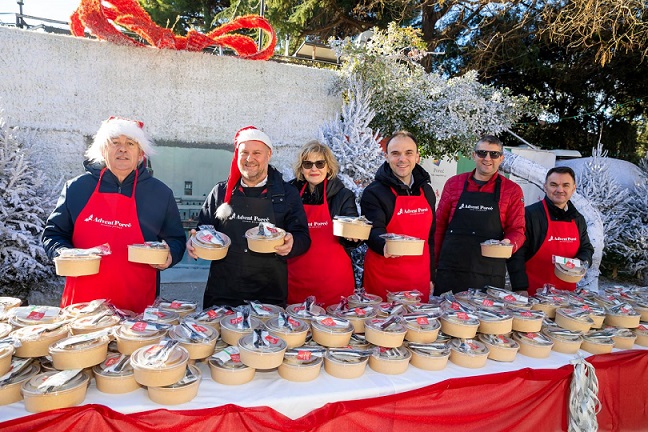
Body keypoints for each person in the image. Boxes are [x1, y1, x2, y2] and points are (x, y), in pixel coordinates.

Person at [42, 117, 186, 313]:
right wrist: (63, 253)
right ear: (103, 149)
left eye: (130, 143)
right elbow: (53, 235)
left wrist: (170, 256)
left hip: (138, 305)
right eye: (115, 143)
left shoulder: (160, 193)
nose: (123, 149)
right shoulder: (77, 188)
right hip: (82, 306)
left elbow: (176, 239)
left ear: (140, 152)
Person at [186, 126, 310, 308]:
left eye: (256, 153)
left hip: (269, 294)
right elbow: (204, 229)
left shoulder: (286, 194)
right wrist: (195, 242)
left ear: (269, 155)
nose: (249, 159)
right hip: (223, 292)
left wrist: (293, 243)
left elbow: (302, 237)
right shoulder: (220, 192)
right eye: (244, 152)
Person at [434, 135, 525, 294]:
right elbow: (439, 226)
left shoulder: (512, 190)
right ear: (474, 155)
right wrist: (431, 268)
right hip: (450, 271)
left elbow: (517, 230)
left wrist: (507, 243)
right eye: (482, 153)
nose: (487, 158)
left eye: (494, 154)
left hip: (488, 274)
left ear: (501, 158)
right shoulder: (453, 183)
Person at [360, 131, 436, 301]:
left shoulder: (427, 191)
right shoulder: (374, 192)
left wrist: (432, 275)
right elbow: (373, 230)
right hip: (383, 279)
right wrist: (384, 245)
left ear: (417, 157)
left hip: (418, 279)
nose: (402, 159)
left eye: (408, 153)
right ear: (386, 156)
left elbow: (431, 237)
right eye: (395, 153)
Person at [287, 141, 359, 307]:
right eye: (308, 164)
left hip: (334, 283)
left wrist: (352, 236)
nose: (314, 169)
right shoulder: (290, 193)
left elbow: (352, 226)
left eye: (320, 163)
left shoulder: (342, 195)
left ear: (329, 167)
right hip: (297, 280)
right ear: (301, 168)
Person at [507, 166, 594, 295]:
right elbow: (517, 254)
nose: (560, 190)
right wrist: (520, 288)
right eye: (554, 185)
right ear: (545, 187)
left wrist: (581, 262)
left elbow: (586, 248)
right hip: (532, 294)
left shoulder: (578, 218)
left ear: (573, 188)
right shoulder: (530, 215)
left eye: (566, 185)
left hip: (566, 296)